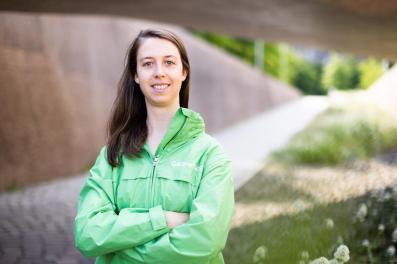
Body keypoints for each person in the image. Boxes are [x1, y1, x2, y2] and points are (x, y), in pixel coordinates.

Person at [74, 28, 235, 264]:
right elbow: (88, 235)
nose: (159, 73)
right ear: (136, 75)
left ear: (184, 72)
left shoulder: (210, 155)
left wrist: (118, 249)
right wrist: (165, 220)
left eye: (169, 62)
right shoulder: (113, 155)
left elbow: (206, 241)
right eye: (148, 64)